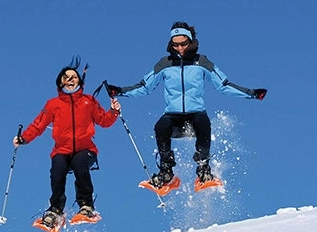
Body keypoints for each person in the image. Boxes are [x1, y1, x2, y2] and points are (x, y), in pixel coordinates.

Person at [106, 21, 267, 190]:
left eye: (183, 44)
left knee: (203, 122)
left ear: (191, 42)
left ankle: (204, 171)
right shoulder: (165, 64)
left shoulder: (201, 62)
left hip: (195, 115)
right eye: (175, 45)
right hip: (173, 117)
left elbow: (223, 85)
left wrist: (252, 93)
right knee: (161, 126)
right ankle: (166, 173)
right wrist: (120, 91)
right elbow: (145, 87)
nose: (180, 48)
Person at [14, 58, 121, 231]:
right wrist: (23, 139)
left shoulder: (88, 101)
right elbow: (38, 125)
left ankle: (86, 207)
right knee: (57, 169)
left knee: (80, 165)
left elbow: (104, 121)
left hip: (86, 149)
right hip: (61, 150)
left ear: (80, 81)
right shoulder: (53, 104)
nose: (70, 80)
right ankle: (55, 211)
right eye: (66, 77)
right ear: (60, 82)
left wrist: (114, 111)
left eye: (74, 77)